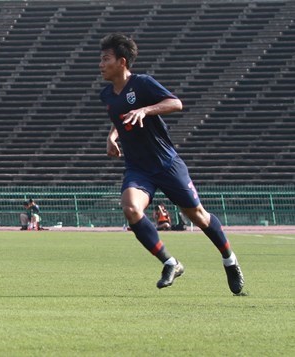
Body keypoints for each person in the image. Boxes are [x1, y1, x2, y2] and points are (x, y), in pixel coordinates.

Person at [99, 33, 244, 294]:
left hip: (166, 163)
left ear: (121, 62)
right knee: (131, 209)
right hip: (138, 168)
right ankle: (171, 262)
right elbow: (119, 118)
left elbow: (175, 103)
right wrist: (112, 136)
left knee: (197, 216)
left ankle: (230, 260)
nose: (101, 64)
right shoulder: (107, 95)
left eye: (105, 59)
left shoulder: (142, 84)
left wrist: (145, 109)